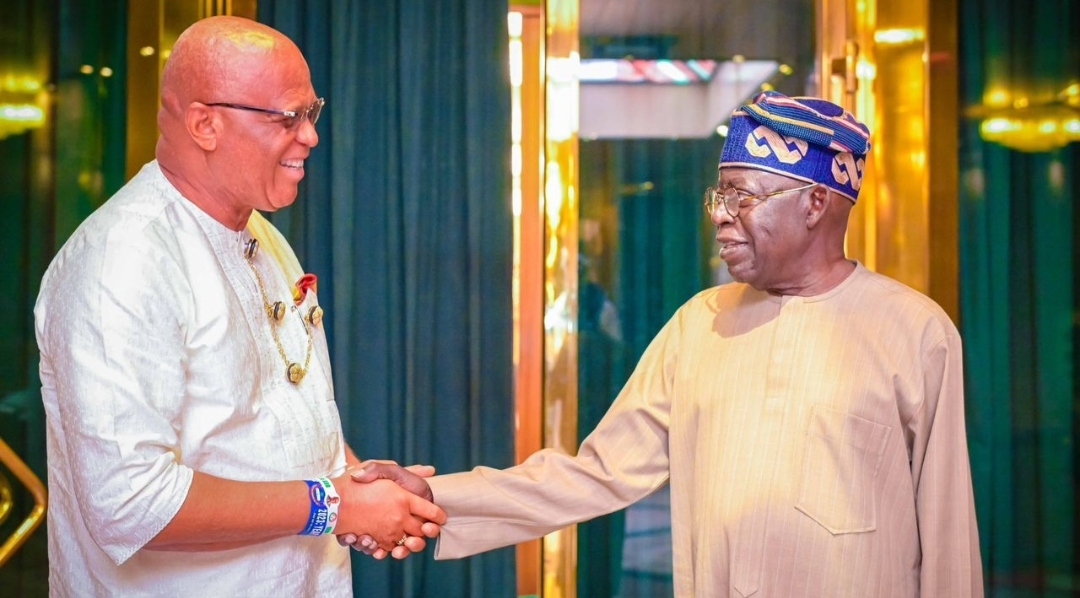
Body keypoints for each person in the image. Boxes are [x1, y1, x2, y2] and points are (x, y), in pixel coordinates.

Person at [415, 91, 985, 596]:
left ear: (814, 203)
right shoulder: (699, 324)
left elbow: (948, 532)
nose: (720, 217)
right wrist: (432, 496)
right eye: (719, 197)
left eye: (743, 197)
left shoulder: (914, 331)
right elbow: (596, 473)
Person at [34, 15, 443, 597]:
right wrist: (334, 506)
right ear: (205, 124)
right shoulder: (121, 261)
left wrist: (361, 485)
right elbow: (131, 504)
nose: (311, 136)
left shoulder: (263, 234)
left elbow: (273, 422)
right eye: (288, 117)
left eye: (312, 112)